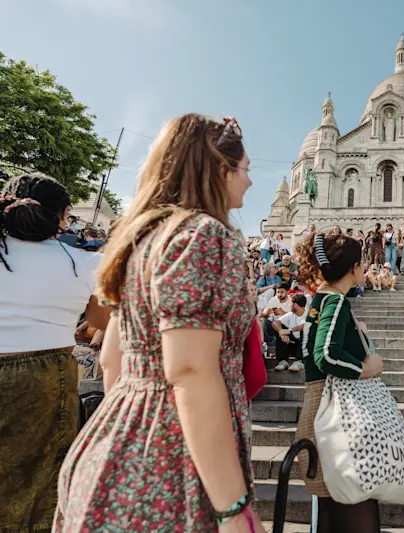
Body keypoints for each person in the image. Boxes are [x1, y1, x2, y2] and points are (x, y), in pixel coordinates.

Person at [54, 115, 267, 532]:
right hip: (176, 456)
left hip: (116, 440)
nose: (250, 182)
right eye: (245, 170)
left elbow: (113, 362)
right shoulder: (203, 235)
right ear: (219, 170)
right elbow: (190, 370)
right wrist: (233, 509)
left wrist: (132, 438)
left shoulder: (143, 238)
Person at [0, 174, 109, 532]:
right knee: (39, 482)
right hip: (44, 377)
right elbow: (100, 320)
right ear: (63, 217)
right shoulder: (86, 263)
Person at [294, 232, 385, 533]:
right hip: (331, 412)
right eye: (361, 264)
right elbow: (325, 356)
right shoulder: (334, 301)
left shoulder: (324, 300)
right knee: (348, 507)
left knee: (332, 512)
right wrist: (365, 368)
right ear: (353, 269)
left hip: (323, 408)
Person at [272, 293, 307, 372]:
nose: (289, 305)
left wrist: (289, 331)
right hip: (293, 345)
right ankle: (283, 361)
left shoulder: (308, 314)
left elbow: (305, 326)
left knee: (305, 331)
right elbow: (275, 323)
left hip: (305, 348)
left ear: (295, 305)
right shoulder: (290, 314)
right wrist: (281, 332)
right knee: (280, 328)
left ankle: (300, 361)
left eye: (290, 303)